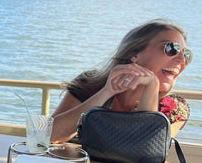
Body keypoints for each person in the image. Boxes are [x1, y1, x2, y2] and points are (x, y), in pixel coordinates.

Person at [51, 19, 192, 143]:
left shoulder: (174, 108)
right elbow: (50, 135)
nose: (181, 61)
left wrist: (152, 87)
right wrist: (106, 92)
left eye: (186, 55)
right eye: (172, 48)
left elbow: (143, 149)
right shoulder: (89, 84)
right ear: (134, 54)